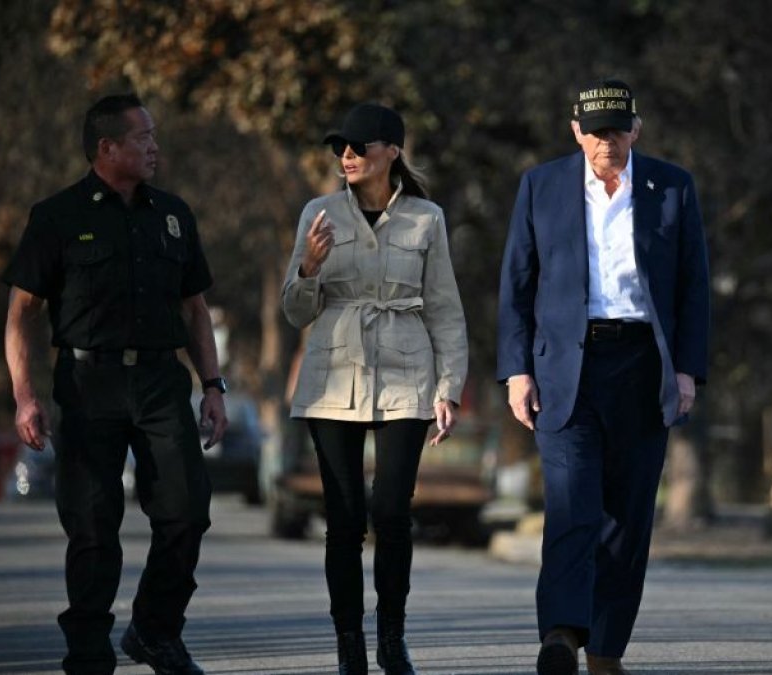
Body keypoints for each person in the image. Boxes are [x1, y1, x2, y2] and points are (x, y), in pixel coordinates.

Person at [3, 93, 227, 675]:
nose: (155, 147)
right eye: (143, 137)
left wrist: (213, 386)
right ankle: (88, 653)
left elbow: (196, 309)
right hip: (87, 382)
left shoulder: (174, 214)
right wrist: (25, 396)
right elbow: (21, 312)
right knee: (93, 527)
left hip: (159, 381)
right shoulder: (57, 216)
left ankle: (155, 630)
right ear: (107, 148)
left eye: (154, 135)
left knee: (187, 511)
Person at [497, 78, 710, 675]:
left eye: (616, 130)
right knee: (571, 506)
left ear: (635, 130)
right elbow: (516, 283)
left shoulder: (672, 186)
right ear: (575, 132)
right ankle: (562, 635)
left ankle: (606, 649)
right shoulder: (540, 186)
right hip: (566, 366)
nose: (604, 142)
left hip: (644, 366)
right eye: (593, 132)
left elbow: (694, 287)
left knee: (628, 514)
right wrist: (516, 371)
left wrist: (689, 371)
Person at [282, 102, 468, 675]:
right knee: (343, 519)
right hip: (333, 375)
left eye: (360, 147)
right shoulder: (318, 213)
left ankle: (392, 637)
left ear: (391, 151)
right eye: (342, 147)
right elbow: (293, 312)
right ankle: (349, 643)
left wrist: (449, 387)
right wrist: (309, 269)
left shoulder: (426, 218)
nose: (348, 156)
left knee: (389, 512)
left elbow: (445, 310)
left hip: (406, 375)